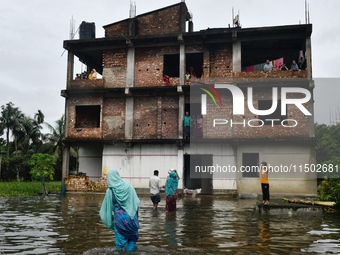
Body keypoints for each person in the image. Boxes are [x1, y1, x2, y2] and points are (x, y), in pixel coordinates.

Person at [99, 169, 140, 252]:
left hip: (119, 219)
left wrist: (111, 222)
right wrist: (136, 218)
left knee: (120, 245)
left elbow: (107, 210)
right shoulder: (129, 187)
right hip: (131, 217)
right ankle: (129, 251)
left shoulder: (110, 191)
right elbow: (136, 204)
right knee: (132, 239)